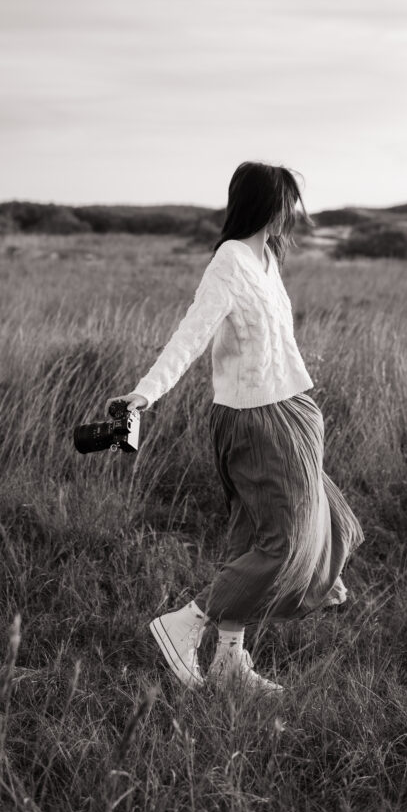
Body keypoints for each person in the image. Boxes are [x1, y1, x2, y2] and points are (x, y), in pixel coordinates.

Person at [106, 161, 364, 695]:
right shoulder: (228, 262)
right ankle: (185, 624)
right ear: (265, 205)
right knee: (285, 544)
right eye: (286, 202)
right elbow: (191, 336)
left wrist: (305, 407)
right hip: (255, 420)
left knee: (314, 525)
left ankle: (228, 659)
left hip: (292, 411)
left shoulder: (267, 257)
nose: (292, 213)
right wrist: (144, 393)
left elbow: (281, 347)